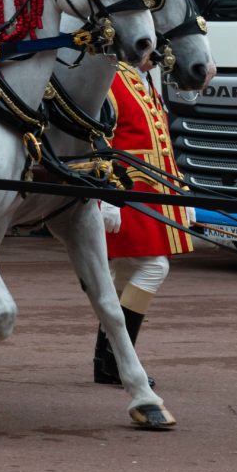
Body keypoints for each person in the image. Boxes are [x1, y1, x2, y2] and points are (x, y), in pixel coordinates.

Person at [92, 61, 194, 385]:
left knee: (123, 272)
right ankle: (118, 360)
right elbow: (99, 141)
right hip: (125, 189)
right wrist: (105, 196)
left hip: (150, 189)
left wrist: (182, 192)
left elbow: (162, 143)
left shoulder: (145, 78)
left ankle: (105, 362)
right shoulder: (111, 76)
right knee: (154, 267)